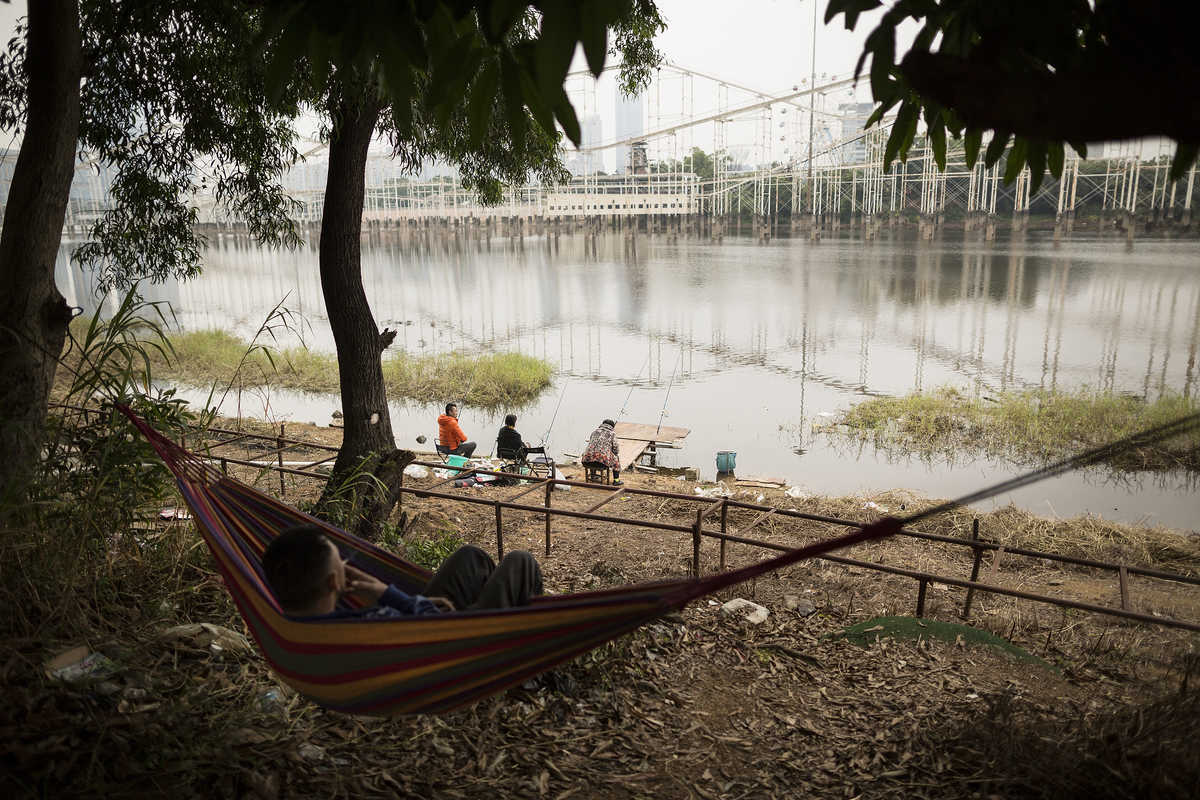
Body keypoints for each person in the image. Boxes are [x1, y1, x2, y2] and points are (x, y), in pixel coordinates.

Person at [262, 524, 543, 618]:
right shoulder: (359, 627)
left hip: (425, 627)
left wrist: (380, 591)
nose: (347, 567)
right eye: (341, 563)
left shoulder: (300, 628)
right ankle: (515, 633)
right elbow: (423, 627)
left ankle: (491, 607)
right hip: (456, 647)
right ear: (335, 581)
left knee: (471, 556)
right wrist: (392, 595)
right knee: (520, 561)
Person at [582, 418, 622, 485]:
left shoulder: (594, 432)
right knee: (616, 458)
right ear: (612, 426)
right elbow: (616, 449)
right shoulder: (612, 434)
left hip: (586, 461)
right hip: (601, 464)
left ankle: (593, 475)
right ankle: (616, 480)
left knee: (592, 454)